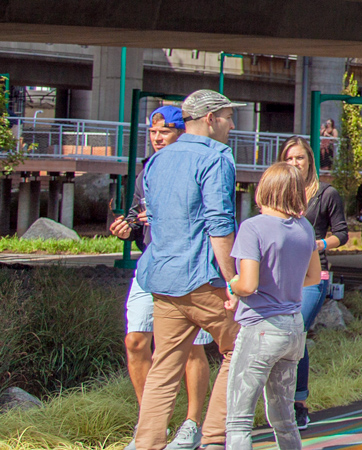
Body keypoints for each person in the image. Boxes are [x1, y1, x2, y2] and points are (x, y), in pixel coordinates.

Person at [130, 89, 246, 450]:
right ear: (210, 119)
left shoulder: (157, 160)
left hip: (163, 279)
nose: (231, 124)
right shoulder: (216, 157)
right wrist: (233, 280)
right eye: (228, 117)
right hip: (204, 279)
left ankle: (147, 443)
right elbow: (219, 222)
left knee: (164, 368)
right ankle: (212, 437)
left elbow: (157, 219)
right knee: (240, 349)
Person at [110, 105, 215, 450]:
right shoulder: (147, 170)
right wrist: (126, 229)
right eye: (153, 133)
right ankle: (151, 427)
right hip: (152, 267)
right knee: (135, 341)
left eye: (164, 132)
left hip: (189, 270)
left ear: (181, 132)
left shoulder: (200, 163)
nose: (157, 138)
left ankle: (192, 424)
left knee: (190, 349)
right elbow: (137, 215)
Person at [221, 163, 317, 450]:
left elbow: (247, 285)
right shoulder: (305, 227)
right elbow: (312, 276)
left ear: (264, 189)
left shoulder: (253, 227)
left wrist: (232, 283)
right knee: (284, 416)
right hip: (293, 327)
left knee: (238, 418)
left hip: (261, 326)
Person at [279, 137, 348, 430]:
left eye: (300, 158)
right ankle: (278, 400)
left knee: (296, 332)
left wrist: (317, 244)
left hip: (312, 276)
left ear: (310, 161)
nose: (295, 163)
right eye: (290, 158)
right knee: (283, 337)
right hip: (281, 276)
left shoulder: (326, 194)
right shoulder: (277, 192)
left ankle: (299, 403)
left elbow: (342, 234)